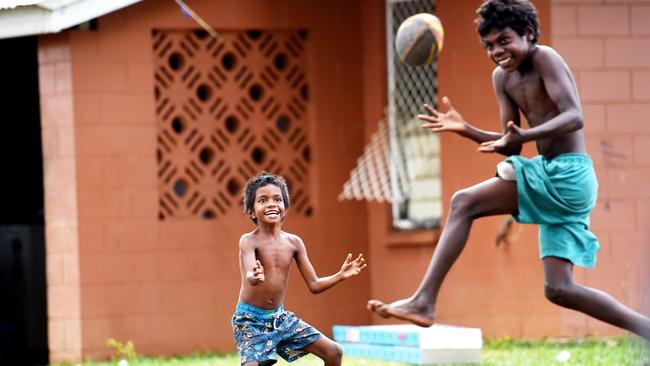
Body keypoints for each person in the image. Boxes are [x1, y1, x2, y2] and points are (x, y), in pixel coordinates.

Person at [368, 0, 650, 340]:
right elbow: (511, 144)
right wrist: (466, 129)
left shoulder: (545, 58)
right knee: (559, 288)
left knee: (463, 202)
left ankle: (424, 301)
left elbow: (574, 116)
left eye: (504, 40)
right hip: (550, 174)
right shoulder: (502, 78)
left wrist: (527, 134)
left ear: (528, 34)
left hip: (569, 175)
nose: (498, 51)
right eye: (489, 45)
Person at [233, 172, 367, 365]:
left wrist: (340, 275)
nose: (271, 204)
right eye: (263, 200)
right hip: (251, 320)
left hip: (280, 318)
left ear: (285, 208)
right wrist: (254, 275)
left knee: (334, 352)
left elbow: (314, 285)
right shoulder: (248, 241)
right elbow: (250, 273)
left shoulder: (294, 243)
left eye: (277, 199)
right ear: (252, 212)